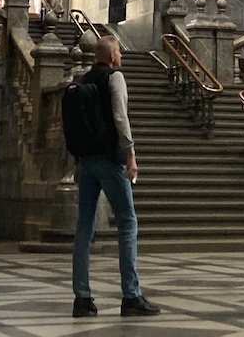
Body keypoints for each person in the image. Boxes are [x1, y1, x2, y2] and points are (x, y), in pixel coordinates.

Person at [70, 37, 161, 319]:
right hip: (110, 160)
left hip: (87, 160)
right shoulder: (114, 77)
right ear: (111, 55)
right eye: (119, 51)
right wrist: (130, 155)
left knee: (84, 227)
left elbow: (78, 124)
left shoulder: (83, 80)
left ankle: (82, 298)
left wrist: (77, 161)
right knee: (128, 222)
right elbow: (121, 118)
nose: (121, 55)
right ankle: (131, 296)